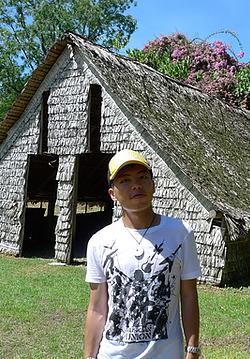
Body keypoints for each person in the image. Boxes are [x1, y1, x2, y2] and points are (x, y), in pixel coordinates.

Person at [84, 149, 202, 359]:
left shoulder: (180, 233)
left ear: (153, 185)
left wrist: (192, 350)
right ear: (113, 194)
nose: (136, 185)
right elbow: (97, 309)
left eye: (143, 177)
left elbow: (189, 294)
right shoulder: (100, 242)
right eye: (125, 180)